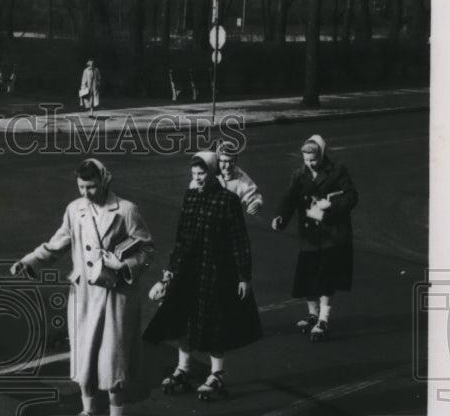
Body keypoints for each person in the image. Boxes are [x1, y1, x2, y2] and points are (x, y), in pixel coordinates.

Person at [12, 158, 154, 416]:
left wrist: (125, 264)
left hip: (116, 295)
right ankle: (88, 411)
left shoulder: (126, 211)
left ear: (104, 181)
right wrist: (30, 261)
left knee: (113, 360)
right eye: (81, 186)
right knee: (84, 356)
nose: (86, 192)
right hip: (84, 295)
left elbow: (147, 249)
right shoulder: (75, 210)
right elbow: (57, 244)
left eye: (91, 186)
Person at [144, 151, 262, 400]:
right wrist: (170, 270)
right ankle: (183, 368)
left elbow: (240, 240)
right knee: (184, 320)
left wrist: (244, 276)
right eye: (194, 174)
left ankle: (217, 374)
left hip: (216, 271)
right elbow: (182, 236)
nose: (197, 178)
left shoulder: (228, 200)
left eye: (201, 173)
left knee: (213, 324)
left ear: (212, 173)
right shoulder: (190, 197)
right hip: (189, 270)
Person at [271, 134, 359, 341]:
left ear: (322, 155)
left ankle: (323, 319)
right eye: (306, 159)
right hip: (309, 235)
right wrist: (280, 217)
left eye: (314, 160)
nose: (310, 164)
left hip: (332, 234)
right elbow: (290, 199)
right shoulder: (299, 174)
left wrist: (332, 205)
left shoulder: (337, 171)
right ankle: (312, 315)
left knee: (325, 278)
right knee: (308, 277)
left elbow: (352, 196)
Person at [217, 143, 264, 217]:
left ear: (236, 161)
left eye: (231, 161)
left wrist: (256, 203)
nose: (228, 166)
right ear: (218, 161)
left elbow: (254, 195)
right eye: (224, 161)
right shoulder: (208, 172)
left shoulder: (241, 177)